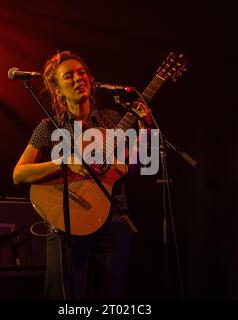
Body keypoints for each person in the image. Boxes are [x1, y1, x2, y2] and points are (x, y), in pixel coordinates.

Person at [13, 51, 151, 299]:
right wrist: (64, 163)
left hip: (113, 222)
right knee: (62, 296)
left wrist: (144, 132)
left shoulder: (112, 120)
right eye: (69, 76)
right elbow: (19, 174)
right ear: (57, 90)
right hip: (65, 225)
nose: (78, 78)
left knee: (110, 297)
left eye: (82, 72)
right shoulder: (48, 128)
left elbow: (132, 168)